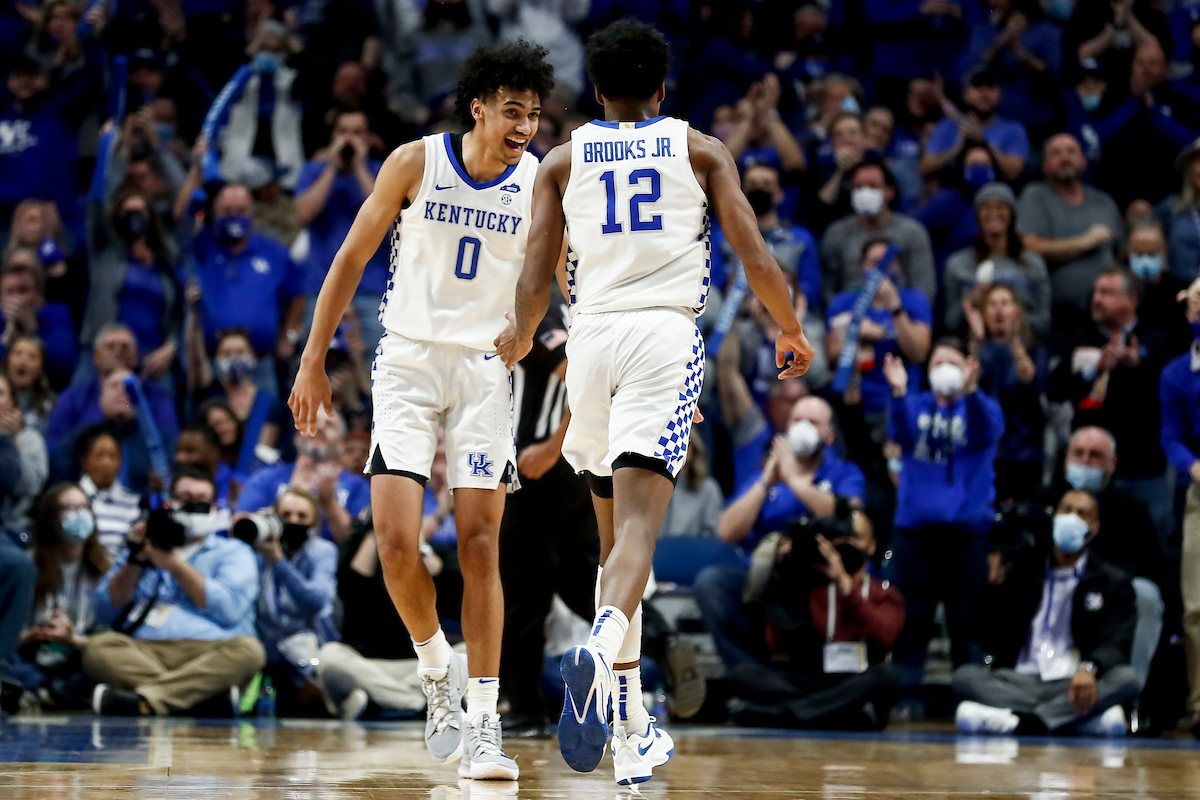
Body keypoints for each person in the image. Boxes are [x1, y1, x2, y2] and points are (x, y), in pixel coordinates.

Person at [497, 19, 813, 784]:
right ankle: (601, 654)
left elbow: (537, 278)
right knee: (639, 532)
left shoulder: (562, 161)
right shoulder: (700, 150)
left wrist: (517, 337)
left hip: (590, 342)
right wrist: (790, 328)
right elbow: (757, 256)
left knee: (614, 550)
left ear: (597, 92)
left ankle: (633, 725)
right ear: (664, 89)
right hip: (663, 338)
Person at [289, 41, 554, 780]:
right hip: (405, 359)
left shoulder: (539, 183)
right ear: (478, 106)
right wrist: (313, 360)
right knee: (397, 546)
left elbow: (557, 278)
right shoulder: (415, 161)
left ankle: (485, 724)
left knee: (477, 546)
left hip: (483, 369)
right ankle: (437, 672)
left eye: (534, 113)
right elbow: (348, 260)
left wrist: (531, 329)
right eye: (513, 110)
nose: (525, 125)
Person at [954, 489, 1140, 736]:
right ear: (1054, 518)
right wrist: (992, 589)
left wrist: (1090, 668)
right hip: (1020, 680)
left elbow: (1116, 641)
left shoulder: (1112, 582)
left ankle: (1022, 722)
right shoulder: (1024, 570)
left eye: (1082, 514)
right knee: (964, 677)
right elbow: (991, 636)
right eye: (1066, 510)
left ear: (1094, 528)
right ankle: (1066, 720)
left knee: (1127, 679)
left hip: (1073, 681)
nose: (1071, 518)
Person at [84, 469, 264, 716]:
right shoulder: (144, 546)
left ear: (213, 507)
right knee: (97, 647)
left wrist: (176, 566)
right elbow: (104, 611)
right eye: (185, 498)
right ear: (169, 503)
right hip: (145, 650)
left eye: (201, 499)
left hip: (210, 652)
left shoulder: (233, 551)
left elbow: (229, 610)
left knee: (250, 651)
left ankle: (147, 700)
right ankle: (199, 701)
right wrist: (134, 561)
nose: (193, 505)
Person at [498, 301, 600, 736]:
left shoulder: (535, 312)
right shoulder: (560, 307)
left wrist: (553, 446)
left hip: (541, 470)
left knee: (523, 596)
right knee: (579, 583)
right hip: (569, 474)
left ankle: (523, 710)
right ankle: (661, 638)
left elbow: (578, 371)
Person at [883, 338, 1005, 691]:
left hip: (966, 532)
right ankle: (907, 696)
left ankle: (971, 695)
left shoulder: (982, 407)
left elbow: (986, 431)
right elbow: (899, 433)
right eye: (938, 363)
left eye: (953, 362)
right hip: (915, 531)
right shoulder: (915, 404)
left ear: (968, 368)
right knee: (912, 618)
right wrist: (898, 394)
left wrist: (971, 394)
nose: (945, 370)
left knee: (965, 619)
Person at [722, 512, 904, 730]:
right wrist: (786, 575)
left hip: (855, 681)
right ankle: (836, 714)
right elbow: (775, 644)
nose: (845, 546)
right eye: (839, 539)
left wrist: (848, 589)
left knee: (887, 677)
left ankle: (786, 714)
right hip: (809, 682)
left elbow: (885, 637)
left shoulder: (884, 594)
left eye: (853, 538)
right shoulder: (810, 585)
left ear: (872, 546)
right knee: (742, 675)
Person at [1048, 269, 1174, 546]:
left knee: (1148, 544)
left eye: (1106, 293)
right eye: (1096, 292)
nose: (1097, 299)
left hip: (1143, 467)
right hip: (1088, 467)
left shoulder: (1157, 342)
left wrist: (1138, 368)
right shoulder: (1079, 339)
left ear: (1131, 300)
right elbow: (1055, 391)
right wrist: (1093, 371)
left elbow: (1173, 397)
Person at [1053, 426, 1164, 691]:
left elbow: (1154, 573)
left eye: (1094, 456)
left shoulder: (1132, 510)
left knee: (1146, 593)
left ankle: (1126, 699)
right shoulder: (1042, 502)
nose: (1085, 461)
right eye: (1078, 453)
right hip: (1051, 619)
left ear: (1112, 463)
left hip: (1109, 608)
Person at [187, 184, 305, 397]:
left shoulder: (274, 251)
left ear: (254, 214)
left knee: (265, 421)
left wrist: (288, 335)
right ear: (214, 214)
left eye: (241, 211)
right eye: (227, 211)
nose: (234, 217)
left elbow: (296, 296)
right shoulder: (200, 247)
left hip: (261, 362)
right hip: (210, 363)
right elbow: (184, 220)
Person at [293, 109, 389, 353]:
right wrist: (332, 167)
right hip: (323, 287)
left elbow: (385, 217)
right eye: (343, 132)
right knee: (317, 368)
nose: (349, 139)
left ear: (368, 138)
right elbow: (303, 214)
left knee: (375, 375)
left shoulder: (384, 172)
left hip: (371, 289)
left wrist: (358, 166)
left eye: (357, 133)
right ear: (333, 135)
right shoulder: (314, 171)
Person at [44, 324, 179, 492]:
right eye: (110, 346)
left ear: (136, 356)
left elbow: (169, 454)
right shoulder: (72, 397)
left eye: (125, 347)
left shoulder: (158, 398)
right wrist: (100, 419)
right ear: (95, 356)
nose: (118, 351)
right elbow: (53, 456)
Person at [9, 484, 109, 709]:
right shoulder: (27, 565)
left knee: (97, 671)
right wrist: (35, 634)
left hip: (81, 653)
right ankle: (46, 692)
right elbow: (8, 635)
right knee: (18, 670)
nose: (79, 514)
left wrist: (74, 639)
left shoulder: (104, 567)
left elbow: (111, 636)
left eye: (84, 507)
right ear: (50, 517)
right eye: (69, 508)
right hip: (33, 653)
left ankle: (49, 694)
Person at [825, 239, 933, 430]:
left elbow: (919, 353)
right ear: (863, 266)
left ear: (898, 266)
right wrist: (853, 333)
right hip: (855, 401)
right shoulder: (844, 302)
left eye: (888, 262)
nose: (881, 269)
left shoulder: (914, 299)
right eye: (874, 262)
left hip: (903, 400)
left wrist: (894, 308)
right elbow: (832, 356)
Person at [1016, 133, 1124, 320]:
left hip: (1108, 315)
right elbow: (1027, 246)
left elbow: (1120, 252)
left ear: (1083, 161)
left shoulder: (1103, 201)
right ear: (1045, 165)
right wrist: (1084, 242)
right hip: (1061, 315)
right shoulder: (1035, 197)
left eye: (1071, 152)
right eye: (1056, 153)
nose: (1065, 158)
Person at [79, 190, 180, 389]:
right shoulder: (105, 252)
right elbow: (97, 200)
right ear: (116, 217)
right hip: (103, 356)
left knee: (156, 416)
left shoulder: (166, 263)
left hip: (151, 359)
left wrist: (171, 345)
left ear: (150, 218)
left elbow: (179, 315)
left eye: (140, 212)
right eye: (127, 213)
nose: (134, 218)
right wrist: (116, 160)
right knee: (88, 415)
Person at [251, 487, 338, 715]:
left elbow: (316, 600)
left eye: (302, 516)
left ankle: (328, 699)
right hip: (266, 644)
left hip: (309, 644)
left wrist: (278, 562)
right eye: (286, 515)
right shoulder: (258, 549)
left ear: (314, 523)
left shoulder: (323, 551)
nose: (293, 521)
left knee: (302, 653)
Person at [1158, 277, 1200, 734]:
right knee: (1195, 604)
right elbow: (1170, 435)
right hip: (1199, 490)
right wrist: (1192, 467)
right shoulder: (1176, 373)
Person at [236, 411, 369, 545]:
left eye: (329, 425)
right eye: (312, 422)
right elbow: (239, 526)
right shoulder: (266, 477)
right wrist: (291, 494)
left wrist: (329, 503)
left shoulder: (358, 486)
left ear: (341, 444)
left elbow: (357, 543)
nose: (320, 427)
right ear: (297, 436)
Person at [819, 159, 937, 305]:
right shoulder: (836, 233)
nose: (865, 192)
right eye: (859, 187)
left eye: (872, 186)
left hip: (900, 316)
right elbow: (827, 289)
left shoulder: (913, 233)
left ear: (890, 192)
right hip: (849, 316)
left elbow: (924, 288)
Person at [944, 182, 1052, 340]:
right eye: (986, 207)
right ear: (977, 216)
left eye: (1001, 207)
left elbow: (1044, 322)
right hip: (973, 348)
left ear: (1012, 215)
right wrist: (970, 301)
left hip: (1025, 347)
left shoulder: (1033, 263)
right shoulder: (957, 264)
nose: (994, 213)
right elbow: (950, 323)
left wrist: (1008, 319)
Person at [185, 326, 282, 476]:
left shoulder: (268, 403)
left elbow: (264, 452)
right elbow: (195, 361)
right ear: (216, 358)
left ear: (252, 356)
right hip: (211, 474)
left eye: (240, 352)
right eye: (227, 353)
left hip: (252, 475)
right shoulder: (207, 396)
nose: (234, 358)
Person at [960, 0, 1063, 136]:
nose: (994, 4)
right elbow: (972, 70)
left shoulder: (1046, 31)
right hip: (992, 125)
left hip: (1036, 124)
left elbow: (1054, 75)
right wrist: (1003, 39)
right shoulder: (983, 30)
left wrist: (1022, 54)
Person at [919, 65, 1029, 182]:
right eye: (977, 85)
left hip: (997, 190)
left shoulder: (1014, 129)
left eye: (990, 86)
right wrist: (957, 149)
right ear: (965, 95)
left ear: (1000, 94)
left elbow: (1014, 173)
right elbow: (924, 169)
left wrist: (984, 143)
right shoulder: (948, 126)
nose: (984, 92)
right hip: (956, 188)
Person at [0, 249, 76, 389]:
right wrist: (7, 336)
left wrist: (33, 330)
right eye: (10, 292)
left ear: (39, 295)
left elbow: (65, 366)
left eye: (23, 290)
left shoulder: (57, 313)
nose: (17, 299)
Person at [1125, 218, 1191, 353]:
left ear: (1164, 250)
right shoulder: (1113, 289)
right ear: (1128, 251)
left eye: (1151, 253)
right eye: (1138, 253)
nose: (1145, 260)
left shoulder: (1181, 293)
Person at [75, 426, 141, 559]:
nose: (106, 463)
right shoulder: (71, 499)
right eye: (99, 455)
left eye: (113, 456)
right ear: (84, 460)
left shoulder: (134, 503)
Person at [0, 372, 46, 533]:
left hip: (15, 527)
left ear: (14, 404)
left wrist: (11, 441)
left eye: (0, 393)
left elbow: (30, 486)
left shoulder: (30, 439)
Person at [659, 434, 723, 539]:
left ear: (691, 448)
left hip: (694, 553)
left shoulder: (708, 489)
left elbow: (710, 538)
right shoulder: (651, 487)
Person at [2, 334, 56, 433]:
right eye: (18, 353)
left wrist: (21, 430)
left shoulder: (50, 404)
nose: (23, 361)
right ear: (7, 361)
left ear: (41, 369)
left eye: (32, 356)